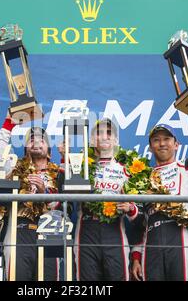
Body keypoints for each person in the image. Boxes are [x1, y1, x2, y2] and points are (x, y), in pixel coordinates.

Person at [131, 82, 188, 281]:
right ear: (151, 147)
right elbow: (139, 221)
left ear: (176, 144)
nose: (162, 143)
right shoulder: (142, 179)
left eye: (167, 139)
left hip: (180, 236)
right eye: (156, 140)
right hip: (151, 239)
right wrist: (136, 255)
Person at [74, 118, 138, 281]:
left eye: (109, 133)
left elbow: (139, 214)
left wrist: (130, 208)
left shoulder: (127, 171)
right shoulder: (80, 167)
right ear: (92, 140)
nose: (104, 136)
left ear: (116, 140)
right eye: (99, 133)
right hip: (86, 231)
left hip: (115, 231)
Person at [2, 121, 63, 281]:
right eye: (31, 140)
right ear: (25, 150)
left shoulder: (59, 172)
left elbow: (65, 205)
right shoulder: (14, 169)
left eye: (41, 140)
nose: (36, 142)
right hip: (19, 231)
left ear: (49, 153)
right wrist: (8, 125)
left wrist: (44, 191)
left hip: (50, 232)